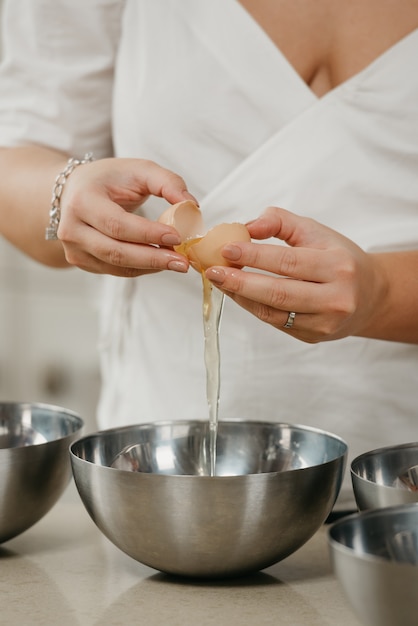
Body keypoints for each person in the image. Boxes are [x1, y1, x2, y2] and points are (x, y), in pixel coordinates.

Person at [0, 0, 417, 511]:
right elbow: (19, 155)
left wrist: (385, 294)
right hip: (161, 486)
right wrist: (67, 194)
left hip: (402, 477)